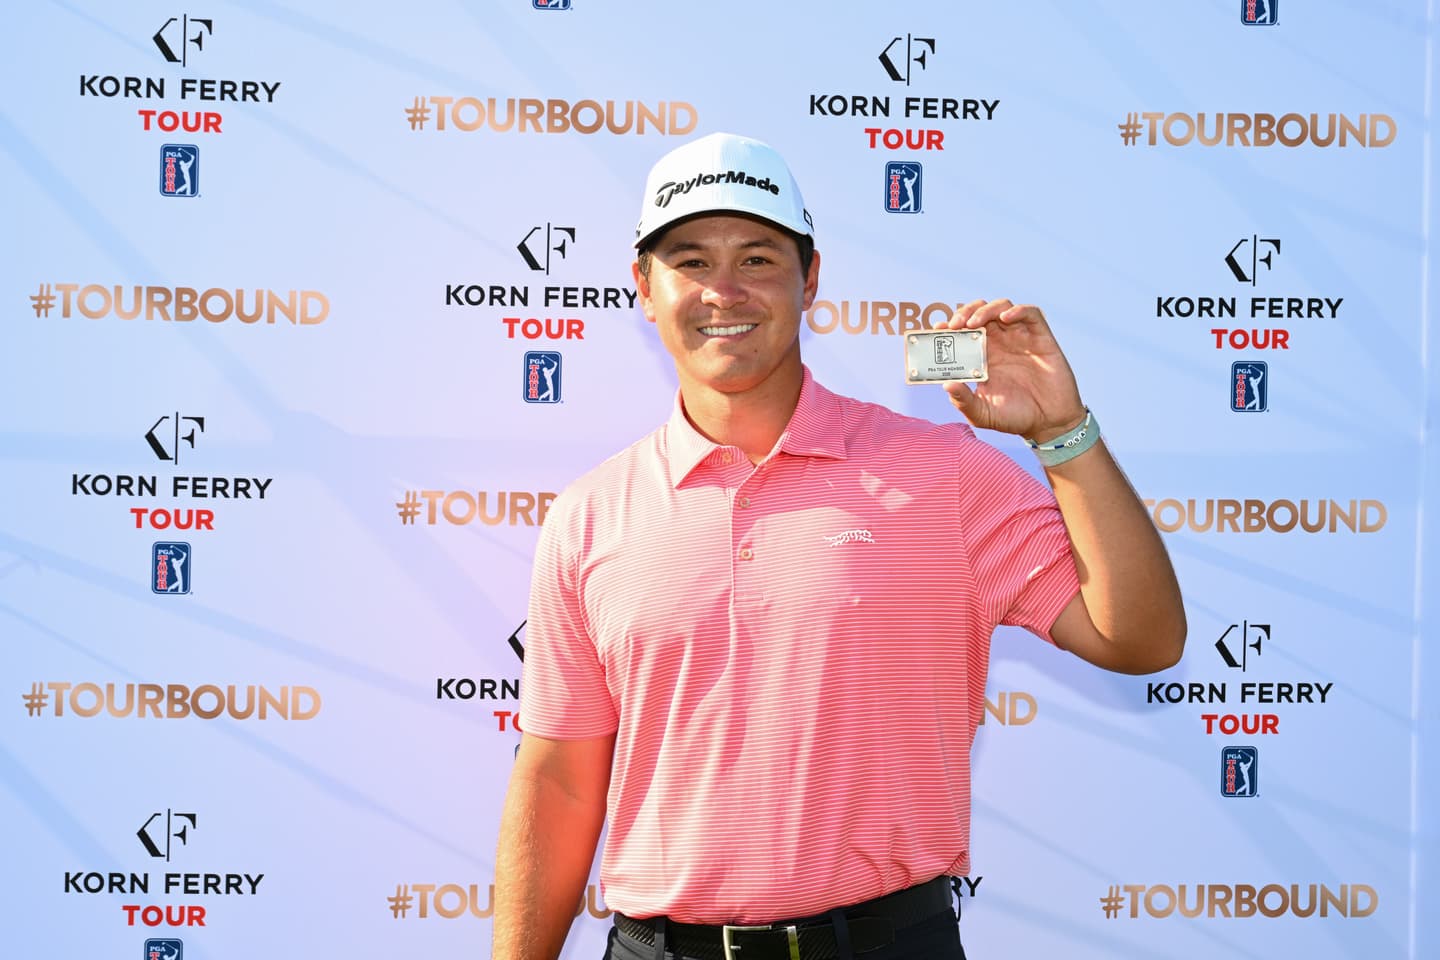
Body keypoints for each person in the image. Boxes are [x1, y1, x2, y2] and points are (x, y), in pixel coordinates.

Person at [493, 132, 1186, 960]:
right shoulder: (589, 515)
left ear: (810, 279)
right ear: (644, 287)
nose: (724, 290)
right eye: (690, 261)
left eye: (757, 258)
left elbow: (1140, 637)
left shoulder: (945, 471)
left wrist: (1064, 434)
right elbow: (563, 783)